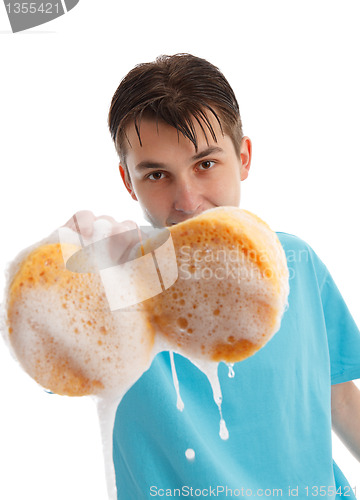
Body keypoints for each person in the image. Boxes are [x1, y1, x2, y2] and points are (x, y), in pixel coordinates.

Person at [73, 54, 360, 498]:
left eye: (206, 164)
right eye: (157, 175)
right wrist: (71, 274)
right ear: (129, 182)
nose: (187, 201)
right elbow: (47, 351)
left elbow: (338, 395)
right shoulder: (114, 290)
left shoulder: (297, 264)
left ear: (243, 157)